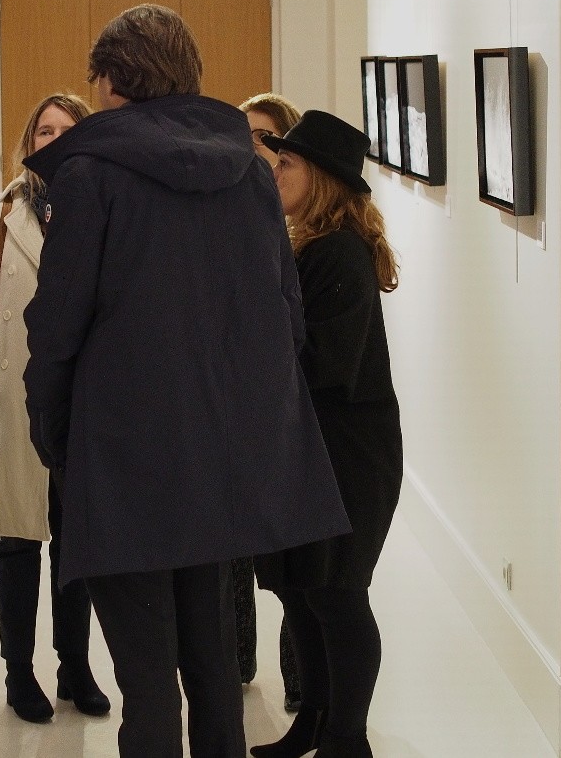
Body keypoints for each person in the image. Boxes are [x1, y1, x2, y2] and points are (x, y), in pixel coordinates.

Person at [23, 4, 350, 758]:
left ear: (113, 81)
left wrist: (54, 432)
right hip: (221, 452)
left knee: (146, 683)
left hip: (122, 453)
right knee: (211, 664)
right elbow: (285, 314)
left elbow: (57, 327)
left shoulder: (90, 174)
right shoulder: (251, 171)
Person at [0, 92, 112, 724]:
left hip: (81, 404)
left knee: (76, 544)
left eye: (68, 129)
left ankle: (75, 667)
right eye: (45, 130)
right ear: (29, 141)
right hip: (13, 400)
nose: (55, 139)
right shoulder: (0, 211)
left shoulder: (102, 209)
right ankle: (19, 672)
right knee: (17, 542)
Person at [251, 111, 404, 758]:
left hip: (347, 457)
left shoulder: (337, 252)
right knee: (304, 593)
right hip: (314, 450)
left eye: (286, 162)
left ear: (320, 177)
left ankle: (347, 737)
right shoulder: (311, 246)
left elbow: (324, 366)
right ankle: (314, 720)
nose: (274, 171)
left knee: (337, 595)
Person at [237, 92, 306, 713]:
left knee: (290, 558)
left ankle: (298, 680)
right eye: (247, 136)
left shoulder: (306, 234)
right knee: (233, 549)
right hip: (238, 415)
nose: (256, 149)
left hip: (288, 415)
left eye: (268, 139)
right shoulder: (231, 214)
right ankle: (237, 661)